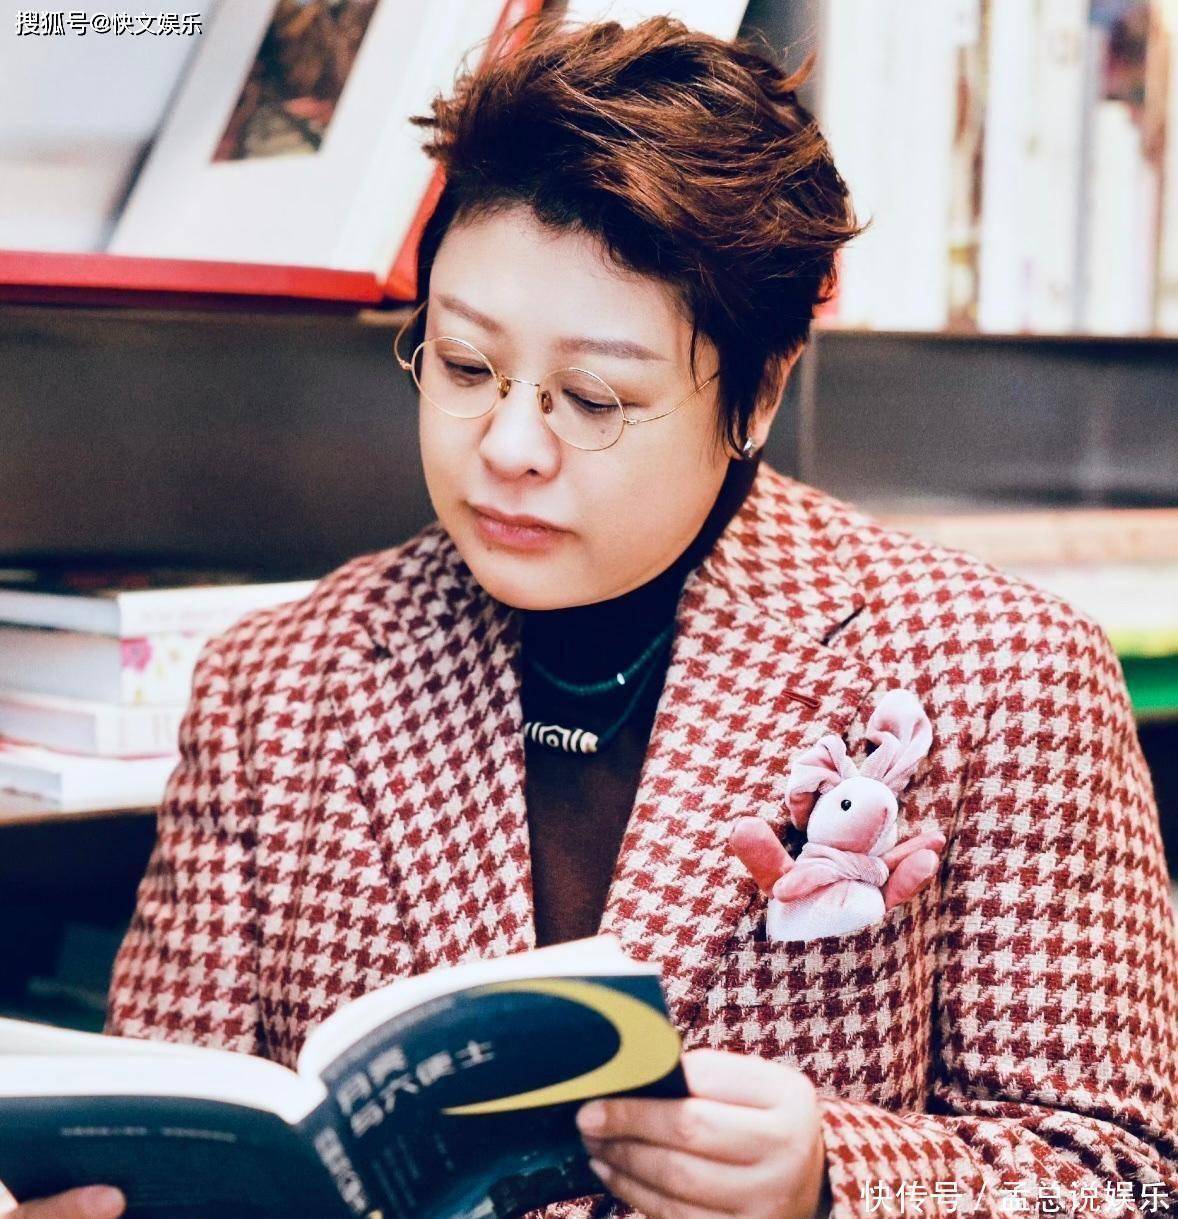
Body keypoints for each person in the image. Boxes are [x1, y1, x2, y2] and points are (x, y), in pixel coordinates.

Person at [12, 15, 1176, 1219]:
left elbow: (1125, 1174)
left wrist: (830, 1180)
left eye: (593, 396)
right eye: (464, 367)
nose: (508, 447)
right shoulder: (277, 684)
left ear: (757, 392)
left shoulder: (1000, 669)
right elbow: (160, 1130)